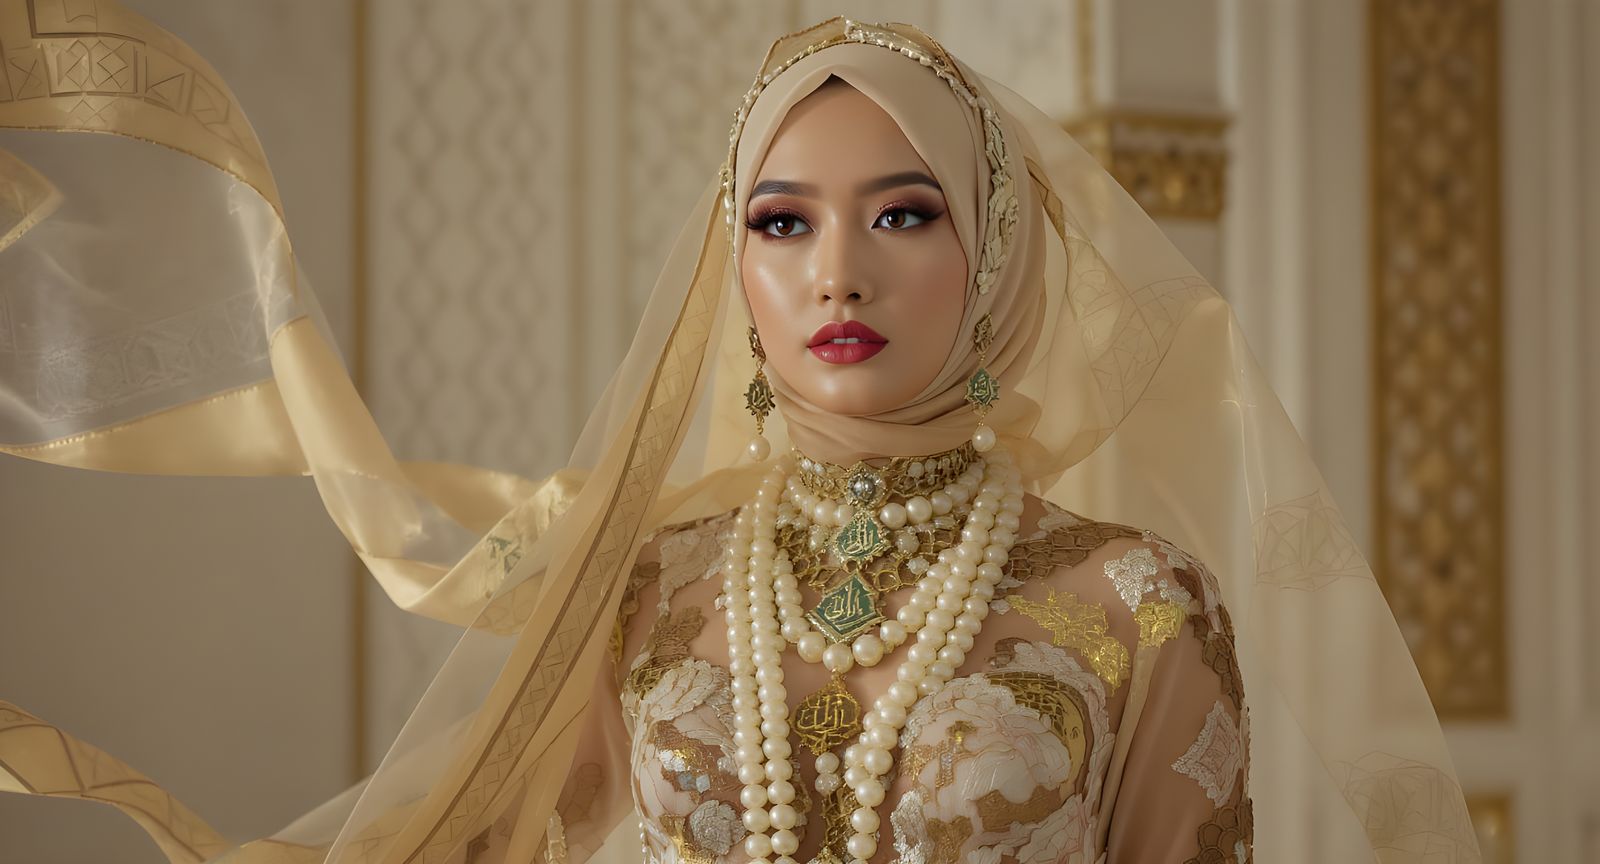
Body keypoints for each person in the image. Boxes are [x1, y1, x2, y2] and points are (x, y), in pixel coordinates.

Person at [0, 9, 1478, 864]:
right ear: (736, 270)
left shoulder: (1135, 605)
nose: (838, 271)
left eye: (906, 213)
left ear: (1000, 253)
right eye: (783, 224)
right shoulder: (649, 586)